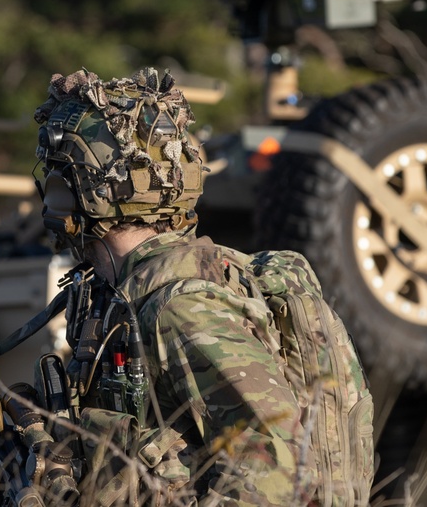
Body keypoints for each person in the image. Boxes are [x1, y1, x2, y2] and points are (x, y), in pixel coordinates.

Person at [31, 67, 372, 506]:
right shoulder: (122, 295)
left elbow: (274, 472)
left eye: (55, 179)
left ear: (71, 192)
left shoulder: (181, 307)